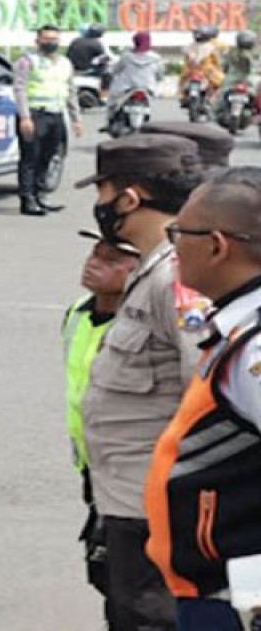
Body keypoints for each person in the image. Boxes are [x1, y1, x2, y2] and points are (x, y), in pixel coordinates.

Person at [75, 133, 209, 631]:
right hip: (127, 498)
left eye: (103, 193)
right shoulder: (152, 268)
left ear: (129, 198)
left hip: (155, 508)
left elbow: (204, 394)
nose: (101, 206)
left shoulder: (178, 276)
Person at [147, 166, 261, 631]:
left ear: (217, 245)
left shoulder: (255, 347)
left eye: (178, 233)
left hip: (235, 599)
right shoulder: (239, 326)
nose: (171, 247)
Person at [62, 229, 141, 628]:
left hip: (133, 475)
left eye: (112, 259)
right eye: (95, 253)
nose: (94, 262)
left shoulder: (148, 324)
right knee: (106, 572)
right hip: (94, 468)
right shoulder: (77, 312)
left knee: (137, 590)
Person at [14, 24, 84, 216]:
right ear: (38, 41)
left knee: (49, 156)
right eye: (46, 39)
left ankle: (40, 196)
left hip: (56, 115)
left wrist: (76, 118)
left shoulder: (64, 63)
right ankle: (27, 199)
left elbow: (71, 92)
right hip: (35, 115)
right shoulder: (28, 61)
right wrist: (25, 117)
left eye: (54, 39)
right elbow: (19, 89)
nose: (50, 43)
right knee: (30, 158)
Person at [108, 31, 164, 113]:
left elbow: (115, 70)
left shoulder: (126, 57)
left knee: (112, 101)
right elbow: (160, 75)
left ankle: (110, 118)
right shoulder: (156, 58)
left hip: (126, 87)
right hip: (148, 88)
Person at [181, 26, 226, 100]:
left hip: (191, 71)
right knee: (220, 81)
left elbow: (186, 60)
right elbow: (217, 61)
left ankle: (183, 96)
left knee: (182, 80)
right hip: (206, 71)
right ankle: (213, 97)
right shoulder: (211, 47)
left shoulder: (189, 46)